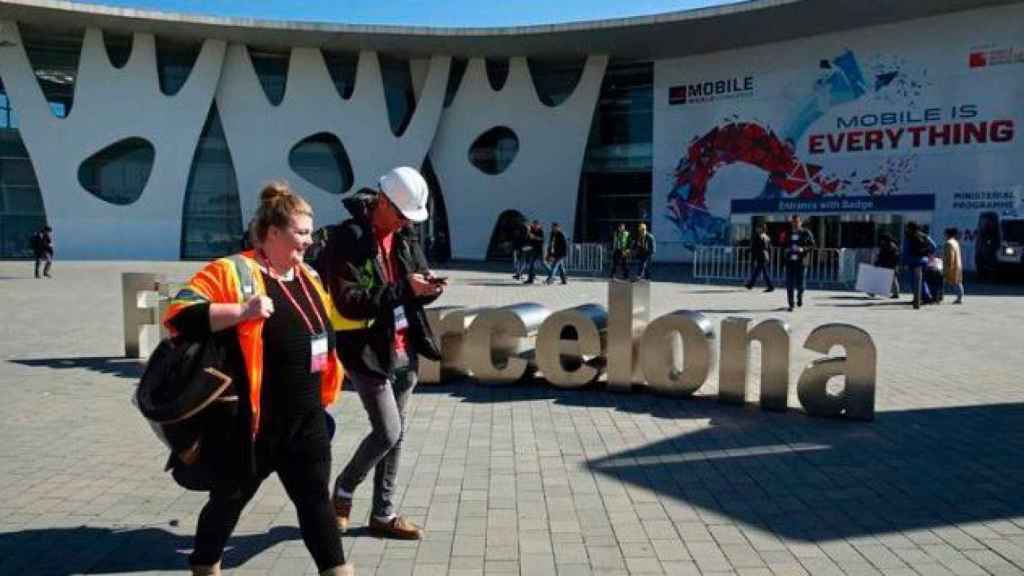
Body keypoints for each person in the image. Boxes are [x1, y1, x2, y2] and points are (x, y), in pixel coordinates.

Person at [162, 183, 352, 576]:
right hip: (251, 424)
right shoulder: (233, 271)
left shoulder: (309, 276)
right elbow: (179, 314)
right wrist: (240, 311)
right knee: (228, 500)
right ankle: (204, 565)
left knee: (315, 502)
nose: (309, 240)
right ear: (272, 232)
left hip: (306, 420)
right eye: (301, 232)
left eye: (310, 231)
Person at [316, 166, 443, 541]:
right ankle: (343, 488)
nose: (407, 224)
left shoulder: (404, 235)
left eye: (411, 218)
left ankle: (383, 514)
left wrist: (429, 287)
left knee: (396, 434)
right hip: (365, 350)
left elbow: (415, 277)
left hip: (404, 346)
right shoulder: (348, 237)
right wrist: (405, 289)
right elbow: (351, 301)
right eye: (402, 215)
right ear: (382, 202)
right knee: (388, 431)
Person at [783, 215, 815, 311]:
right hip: (790, 262)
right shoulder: (788, 233)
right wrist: (786, 249)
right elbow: (783, 244)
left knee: (800, 284)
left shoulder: (806, 232)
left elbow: (812, 245)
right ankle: (791, 304)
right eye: (793, 222)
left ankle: (799, 297)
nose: (795, 224)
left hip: (801, 262)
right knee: (789, 283)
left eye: (797, 222)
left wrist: (802, 249)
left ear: (800, 222)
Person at [745, 224, 773, 291]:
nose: (756, 229)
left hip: (761, 255)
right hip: (765, 255)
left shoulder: (758, 236)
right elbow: (769, 248)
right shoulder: (767, 237)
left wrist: (748, 251)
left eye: (758, 228)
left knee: (764, 272)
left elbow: (755, 247)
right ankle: (750, 285)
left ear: (761, 229)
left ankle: (770, 286)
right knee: (757, 271)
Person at [873, 232, 901, 298]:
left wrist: (878, 262)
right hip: (890, 265)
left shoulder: (889, 246)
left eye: (882, 239)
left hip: (890, 265)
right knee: (892, 280)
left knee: (892, 280)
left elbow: (884, 256)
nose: (881, 241)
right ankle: (895, 293)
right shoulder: (890, 245)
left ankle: (896, 294)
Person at [944, 227, 964, 304]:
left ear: (948, 234)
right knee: (958, 282)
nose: (944, 235)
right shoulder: (955, 242)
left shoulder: (948, 243)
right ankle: (959, 298)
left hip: (952, 265)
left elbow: (950, 255)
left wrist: (949, 267)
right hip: (958, 264)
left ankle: (958, 298)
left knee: (955, 282)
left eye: (945, 234)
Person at [523, 220, 546, 284]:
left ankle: (551, 275)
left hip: (540, 250)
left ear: (539, 225)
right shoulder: (531, 230)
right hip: (533, 250)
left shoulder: (541, 231)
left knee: (544, 264)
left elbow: (542, 239)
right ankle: (530, 279)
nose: (535, 226)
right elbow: (529, 239)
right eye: (534, 224)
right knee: (531, 265)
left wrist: (534, 237)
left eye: (536, 225)